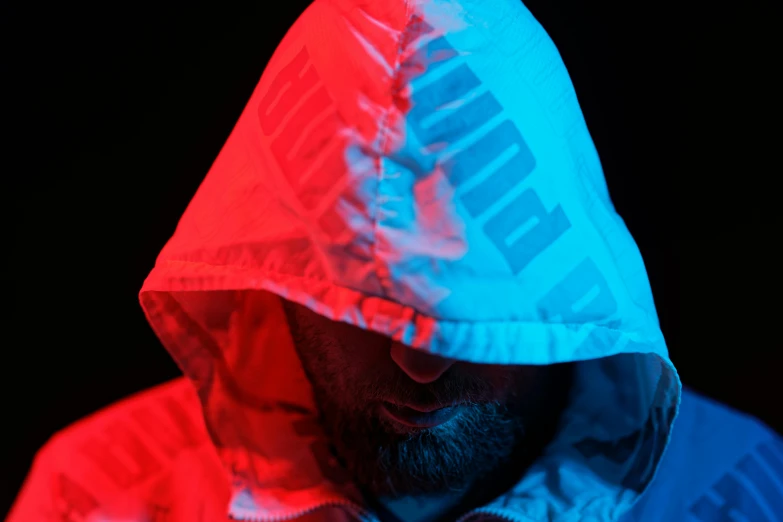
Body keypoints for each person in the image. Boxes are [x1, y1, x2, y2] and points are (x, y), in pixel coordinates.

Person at [9, 0, 781, 521]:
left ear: (565, 287)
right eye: (357, 301)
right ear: (273, 278)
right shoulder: (99, 495)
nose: (417, 362)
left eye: (474, 316)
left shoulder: (739, 493)